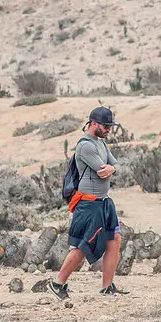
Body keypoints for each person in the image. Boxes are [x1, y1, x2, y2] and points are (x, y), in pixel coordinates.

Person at [49, 106, 129, 300]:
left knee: (114, 240)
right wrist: (111, 168)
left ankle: (107, 286)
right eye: (105, 125)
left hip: (103, 202)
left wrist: (112, 168)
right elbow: (102, 169)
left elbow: (116, 166)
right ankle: (57, 283)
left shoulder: (100, 143)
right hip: (89, 204)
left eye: (110, 125)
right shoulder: (86, 146)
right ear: (94, 123)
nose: (109, 129)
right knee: (84, 246)